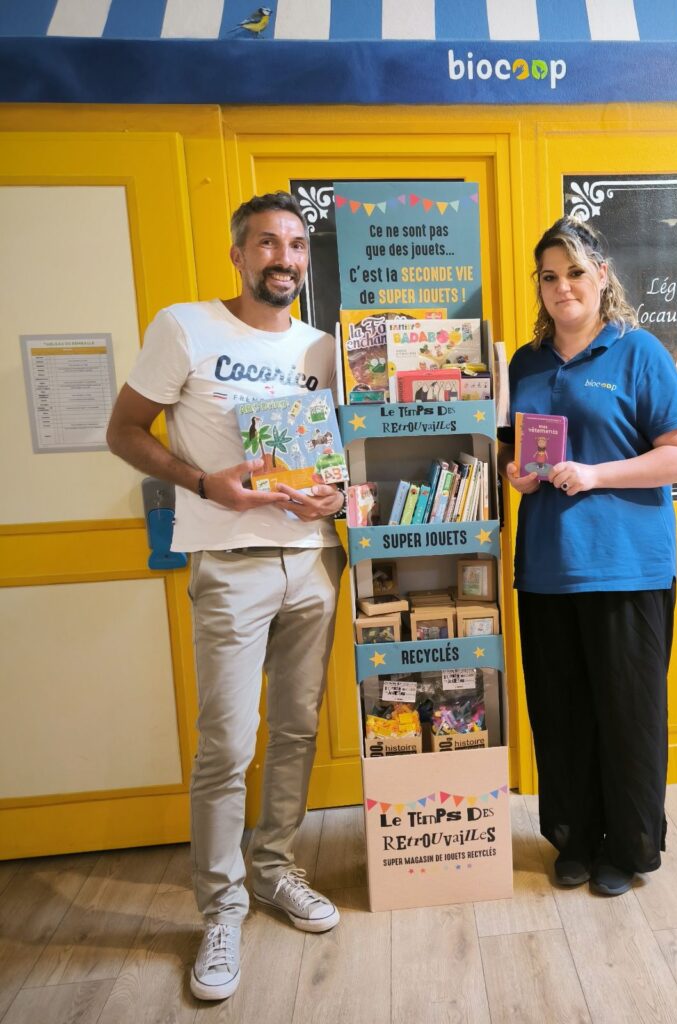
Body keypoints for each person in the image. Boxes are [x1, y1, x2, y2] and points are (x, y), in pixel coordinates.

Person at [106, 192, 346, 1001]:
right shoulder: (185, 327)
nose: (284, 257)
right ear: (240, 256)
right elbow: (126, 430)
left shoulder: (322, 346)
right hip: (229, 561)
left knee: (297, 729)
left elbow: (331, 456)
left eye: (297, 245)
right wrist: (203, 481)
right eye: (268, 244)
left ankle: (274, 869)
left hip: (312, 562)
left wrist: (334, 499)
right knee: (226, 745)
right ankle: (220, 908)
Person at [499, 216, 677, 897]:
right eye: (550, 277)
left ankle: (630, 847)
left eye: (576, 273)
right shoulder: (524, 363)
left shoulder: (638, 352)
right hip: (548, 568)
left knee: (628, 714)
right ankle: (575, 840)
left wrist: (595, 473)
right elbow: (514, 452)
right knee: (561, 713)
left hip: (626, 566)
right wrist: (516, 474)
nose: (563, 288)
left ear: (602, 276)